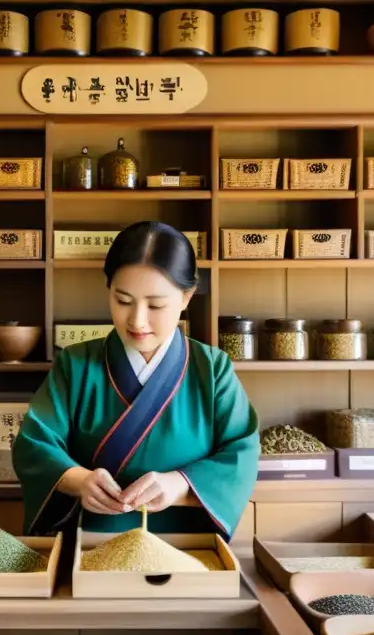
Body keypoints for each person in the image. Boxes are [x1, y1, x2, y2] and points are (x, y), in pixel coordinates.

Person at [13, 221, 260, 539]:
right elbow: (34, 444)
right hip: (90, 546)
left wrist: (179, 484)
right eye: (123, 301)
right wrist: (78, 480)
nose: (137, 320)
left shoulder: (212, 370)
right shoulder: (74, 365)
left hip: (186, 547)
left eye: (155, 305)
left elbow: (241, 454)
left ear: (186, 297)